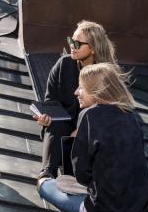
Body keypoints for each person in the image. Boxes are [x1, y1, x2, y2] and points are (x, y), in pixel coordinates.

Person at [37, 63, 148, 212]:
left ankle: (44, 181)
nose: (76, 92)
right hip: (139, 210)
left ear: (96, 91)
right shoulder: (131, 116)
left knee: (45, 186)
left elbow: (81, 174)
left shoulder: (90, 115)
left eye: (81, 88)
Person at [33, 21, 117, 180]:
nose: (72, 45)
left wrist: (81, 130)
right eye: (71, 41)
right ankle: (46, 174)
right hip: (62, 127)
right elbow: (51, 101)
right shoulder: (64, 64)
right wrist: (46, 117)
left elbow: (110, 114)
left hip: (93, 131)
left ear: (93, 48)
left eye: (77, 43)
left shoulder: (106, 74)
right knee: (55, 125)